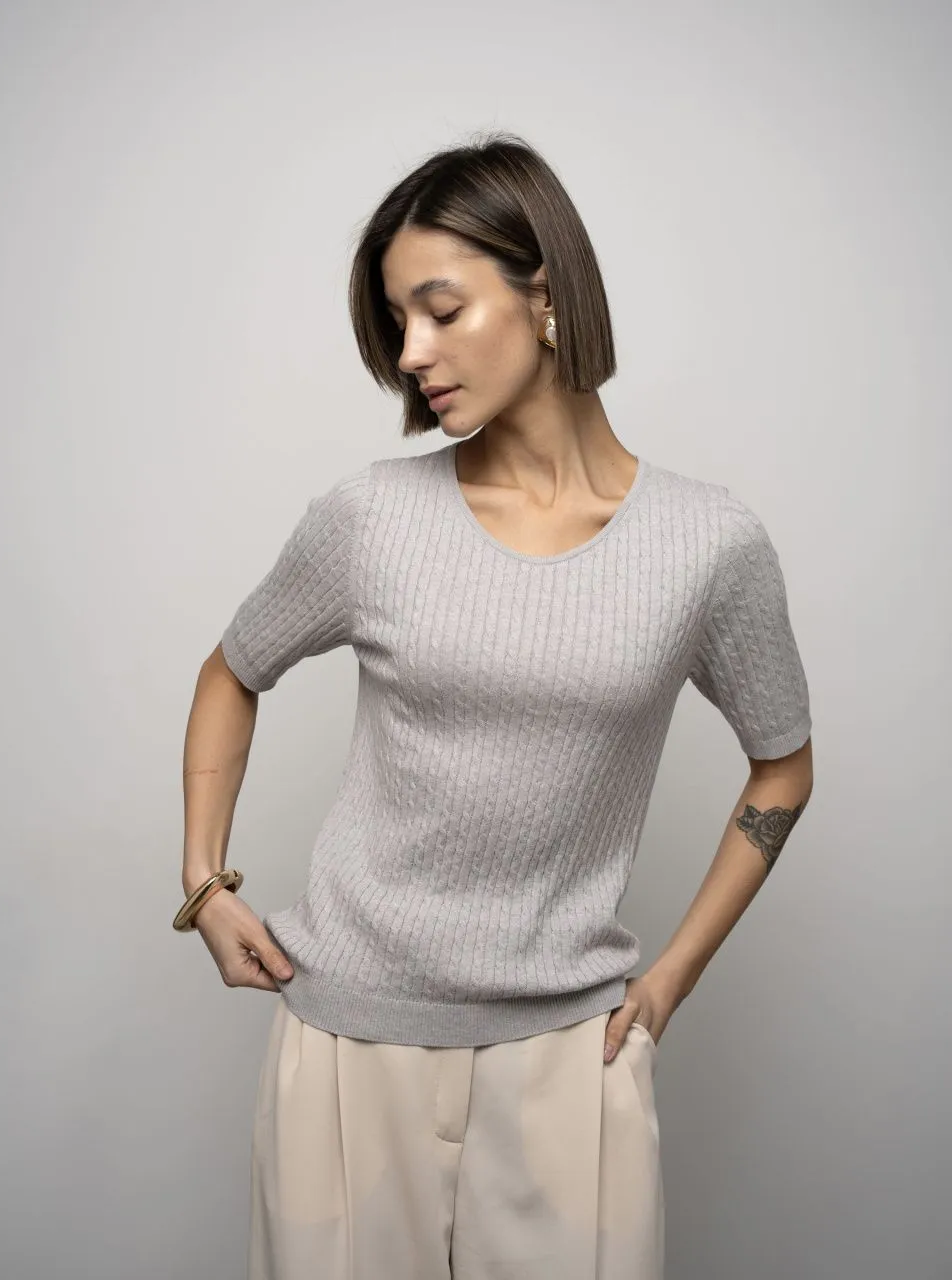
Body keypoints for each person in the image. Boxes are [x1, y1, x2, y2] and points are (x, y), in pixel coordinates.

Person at [178, 131, 814, 1280]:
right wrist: (203, 881)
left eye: (440, 309)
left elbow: (783, 766)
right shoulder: (370, 519)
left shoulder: (708, 545)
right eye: (398, 321)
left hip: (570, 1061)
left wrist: (670, 976)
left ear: (547, 294)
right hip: (344, 1049)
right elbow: (233, 669)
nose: (410, 352)